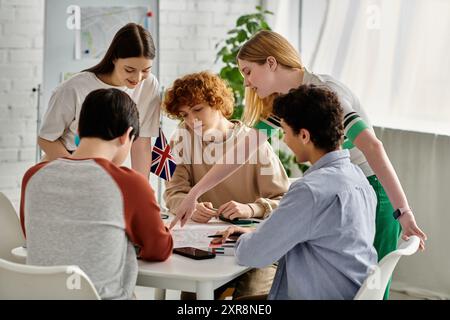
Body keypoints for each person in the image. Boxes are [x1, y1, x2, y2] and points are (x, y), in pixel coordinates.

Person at [170, 30, 427, 299]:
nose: (246, 83)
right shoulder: (291, 103)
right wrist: (194, 193)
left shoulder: (325, 94)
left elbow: (373, 147)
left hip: (371, 187)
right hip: (347, 182)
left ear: (271, 63)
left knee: (370, 290)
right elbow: (240, 152)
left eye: (248, 72)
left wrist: (403, 211)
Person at [213, 85, 378, 299]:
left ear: (304, 135)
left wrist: (245, 241)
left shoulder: (310, 190)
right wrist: (259, 235)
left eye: (284, 131)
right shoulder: (357, 177)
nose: (284, 140)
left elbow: (252, 255)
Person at [20, 88, 173, 300]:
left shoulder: (33, 176)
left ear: (79, 132)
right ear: (126, 136)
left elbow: (35, 236)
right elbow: (159, 249)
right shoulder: (128, 182)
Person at [163, 71, 289, 299]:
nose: (191, 120)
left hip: (258, 247)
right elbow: (173, 192)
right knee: (192, 296)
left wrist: (252, 208)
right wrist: (189, 205)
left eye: (198, 109)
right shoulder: (181, 139)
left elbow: (286, 202)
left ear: (217, 103)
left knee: (249, 299)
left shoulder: (254, 143)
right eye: (184, 114)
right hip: (207, 247)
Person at [38, 23, 161, 178]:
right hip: (63, 167)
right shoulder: (74, 88)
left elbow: (141, 141)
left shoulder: (148, 85)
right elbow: (45, 139)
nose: (137, 78)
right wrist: (77, 171)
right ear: (114, 58)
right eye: (129, 70)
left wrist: (142, 189)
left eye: (145, 70)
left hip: (107, 172)